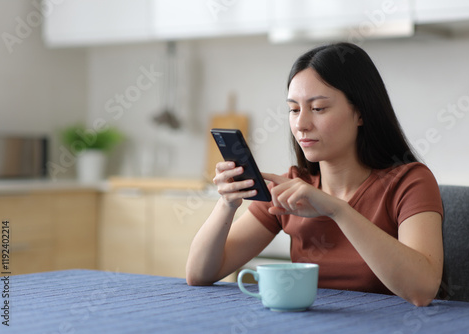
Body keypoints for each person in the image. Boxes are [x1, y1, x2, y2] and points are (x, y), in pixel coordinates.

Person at [186, 42, 443, 307]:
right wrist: (227, 203)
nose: (301, 124)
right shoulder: (294, 187)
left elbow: (422, 289)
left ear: (361, 113)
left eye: (318, 108)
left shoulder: (410, 182)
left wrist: (337, 210)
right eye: (294, 109)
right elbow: (199, 274)